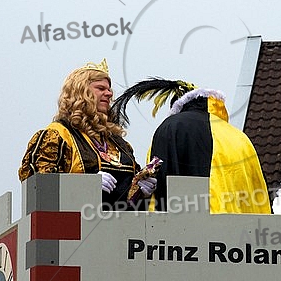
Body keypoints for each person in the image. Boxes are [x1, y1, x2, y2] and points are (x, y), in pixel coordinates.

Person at [112, 78, 271, 214]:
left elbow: (161, 188)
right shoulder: (240, 137)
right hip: (237, 242)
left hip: (187, 241)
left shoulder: (173, 127)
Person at [18, 59, 156, 211]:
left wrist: (141, 190)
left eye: (109, 89)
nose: (109, 94)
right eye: (101, 88)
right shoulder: (57, 135)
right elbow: (37, 185)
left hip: (122, 228)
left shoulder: (118, 143)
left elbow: (129, 197)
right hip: (74, 228)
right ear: (81, 92)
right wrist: (85, 185)